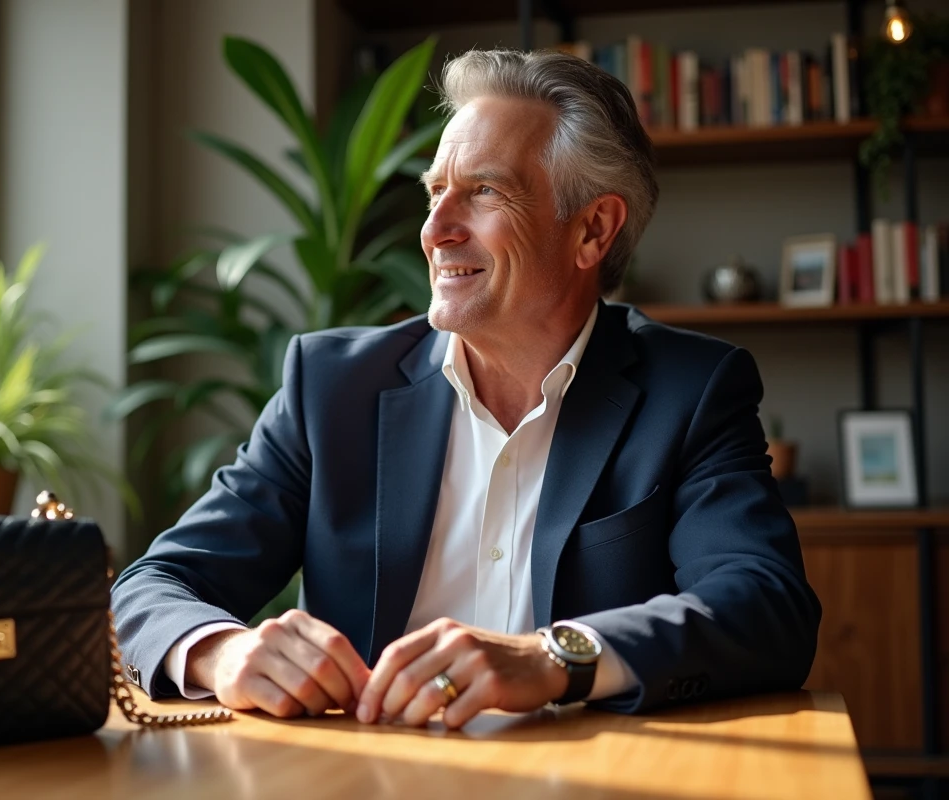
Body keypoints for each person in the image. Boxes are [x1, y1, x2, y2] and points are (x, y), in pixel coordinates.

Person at [112, 49, 821, 729]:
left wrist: (550, 656)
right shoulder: (332, 389)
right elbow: (151, 588)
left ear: (593, 230)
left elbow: (766, 607)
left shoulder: (690, 391)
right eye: (434, 193)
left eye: (482, 191)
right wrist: (223, 649)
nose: (433, 230)